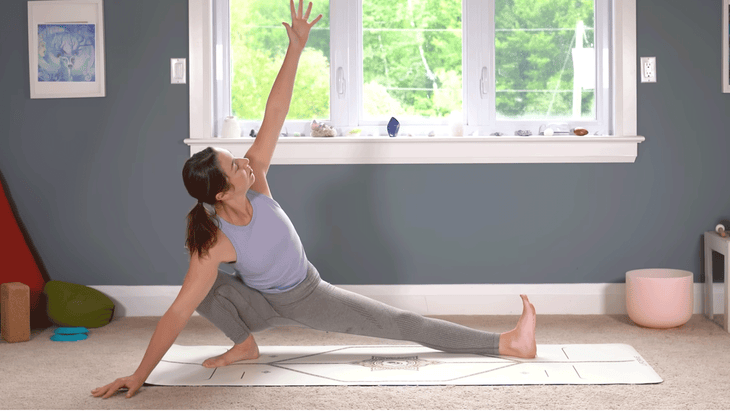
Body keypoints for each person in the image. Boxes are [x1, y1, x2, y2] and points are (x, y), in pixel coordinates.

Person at [92, 0, 536, 399]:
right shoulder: (214, 241)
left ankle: (504, 342)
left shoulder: (257, 178)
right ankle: (244, 345)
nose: (245, 162)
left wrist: (297, 47)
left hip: (309, 293)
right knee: (198, 292)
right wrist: (139, 374)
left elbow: (276, 112)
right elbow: (175, 314)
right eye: (235, 166)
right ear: (223, 192)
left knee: (400, 323)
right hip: (266, 303)